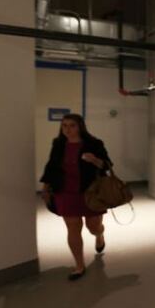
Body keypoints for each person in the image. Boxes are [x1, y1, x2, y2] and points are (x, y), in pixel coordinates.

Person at [40, 114, 112, 281]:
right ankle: (79, 265)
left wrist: (95, 160)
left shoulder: (94, 143)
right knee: (73, 228)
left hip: (91, 192)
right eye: (64, 125)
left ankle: (99, 235)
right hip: (65, 192)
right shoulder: (58, 144)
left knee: (93, 226)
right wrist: (45, 188)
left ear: (80, 126)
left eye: (72, 125)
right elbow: (51, 166)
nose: (67, 129)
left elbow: (107, 165)